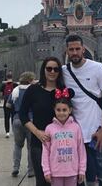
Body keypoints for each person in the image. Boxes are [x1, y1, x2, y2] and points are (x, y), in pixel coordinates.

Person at [62, 34, 102, 186]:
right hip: (76, 136)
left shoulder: (97, 68)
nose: (74, 52)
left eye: (77, 49)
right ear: (66, 51)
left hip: (96, 133)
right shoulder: (64, 71)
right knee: (83, 177)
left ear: (83, 49)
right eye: (71, 49)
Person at [20, 57, 65, 186]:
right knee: (43, 181)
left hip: (62, 143)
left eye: (56, 69)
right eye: (49, 68)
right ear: (43, 70)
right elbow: (23, 114)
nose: (52, 72)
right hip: (39, 143)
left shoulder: (63, 90)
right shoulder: (33, 90)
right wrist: (37, 132)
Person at [41, 88, 86, 186]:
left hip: (72, 171)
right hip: (55, 172)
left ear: (70, 110)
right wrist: (46, 170)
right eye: (58, 110)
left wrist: (82, 169)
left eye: (64, 110)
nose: (61, 113)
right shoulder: (49, 128)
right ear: (54, 110)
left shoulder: (76, 127)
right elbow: (45, 151)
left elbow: (81, 150)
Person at [7, 72, 35, 177]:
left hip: (17, 119)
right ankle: (31, 170)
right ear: (30, 80)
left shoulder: (15, 90)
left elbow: (8, 105)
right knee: (30, 147)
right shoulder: (32, 90)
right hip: (30, 119)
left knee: (18, 145)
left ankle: (15, 167)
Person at [1, 73, 14, 138]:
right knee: (13, 117)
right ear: (12, 77)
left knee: (6, 118)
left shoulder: (3, 85)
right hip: (13, 103)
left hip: (6, 103)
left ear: (6, 78)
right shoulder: (15, 84)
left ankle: (7, 132)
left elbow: (1, 95)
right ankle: (14, 130)